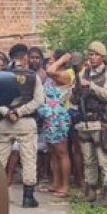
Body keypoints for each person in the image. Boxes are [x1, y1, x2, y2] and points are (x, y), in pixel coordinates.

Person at [0, 45, 44, 208]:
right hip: (26, 122)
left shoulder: (0, 76)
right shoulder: (33, 76)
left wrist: (7, 112)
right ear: (25, 57)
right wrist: (20, 112)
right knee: (29, 159)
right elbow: (39, 100)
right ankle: (28, 198)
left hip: (4, 123)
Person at [73, 40, 107, 207]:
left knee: (104, 159)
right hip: (84, 122)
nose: (92, 57)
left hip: (100, 122)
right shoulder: (84, 72)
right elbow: (74, 99)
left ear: (102, 56)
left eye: (96, 54)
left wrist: (90, 85)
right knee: (88, 159)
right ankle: (90, 190)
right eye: (90, 54)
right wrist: (76, 89)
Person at [39, 50, 73, 198]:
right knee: (53, 152)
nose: (49, 63)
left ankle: (65, 186)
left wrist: (62, 60)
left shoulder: (64, 75)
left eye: (52, 59)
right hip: (49, 117)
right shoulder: (51, 78)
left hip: (59, 117)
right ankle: (56, 182)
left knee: (62, 152)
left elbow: (50, 70)